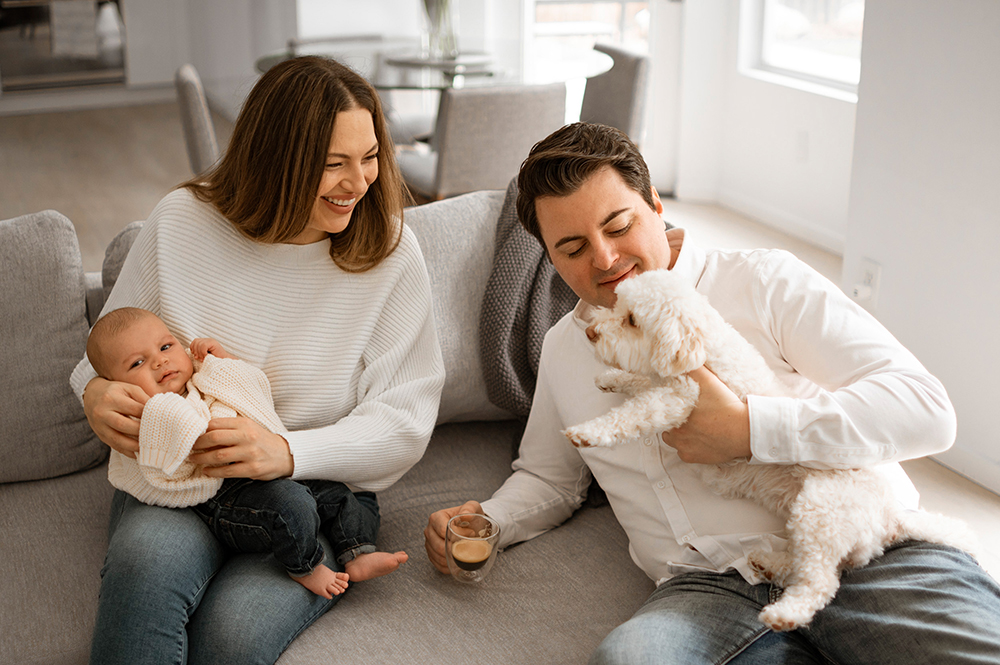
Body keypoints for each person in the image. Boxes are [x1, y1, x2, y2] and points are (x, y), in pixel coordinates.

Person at [424, 122, 1000, 664]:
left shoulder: (762, 281)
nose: (604, 259)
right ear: (549, 256)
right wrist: (490, 521)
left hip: (868, 550)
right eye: (572, 248)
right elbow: (551, 477)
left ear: (655, 205)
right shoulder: (565, 347)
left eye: (619, 226)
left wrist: (748, 429)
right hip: (710, 589)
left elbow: (925, 408)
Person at [73, 55, 445, 665]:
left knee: (231, 638)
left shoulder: (392, 255)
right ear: (277, 158)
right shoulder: (183, 223)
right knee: (145, 574)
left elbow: (404, 423)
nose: (360, 182)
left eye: (371, 156)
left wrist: (290, 453)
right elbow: (107, 354)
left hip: (314, 494)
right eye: (333, 164)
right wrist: (94, 394)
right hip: (183, 484)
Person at [86, 306, 408, 600]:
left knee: (334, 493)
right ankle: (305, 567)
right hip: (223, 496)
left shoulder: (200, 380)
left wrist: (221, 363)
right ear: (116, 386)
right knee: (292, 505)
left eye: (166, 346)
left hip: (263, 470)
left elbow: (248, 389)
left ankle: (357, 552)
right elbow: (182, 440)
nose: (160, 361)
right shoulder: (151, 414)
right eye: (138, 363)